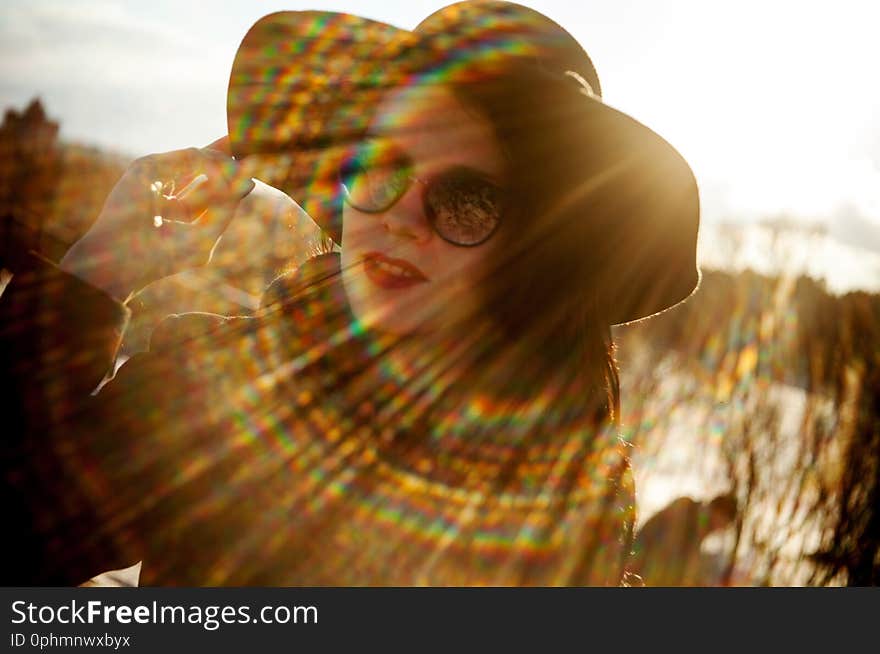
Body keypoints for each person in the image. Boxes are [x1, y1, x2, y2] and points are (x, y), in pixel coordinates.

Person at [0, 0, 699, 585]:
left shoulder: (567, 513)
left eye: (464, 200)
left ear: (535, 253)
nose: (396, 215)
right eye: (381, 169)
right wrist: (99, 269)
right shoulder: (226, 390)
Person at [628, 494, 739, 586]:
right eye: (724, 523)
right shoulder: (686, 510)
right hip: (636, 575)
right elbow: (664, 555)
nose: (719, 530)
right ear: (718, 512)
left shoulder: (698, 531)